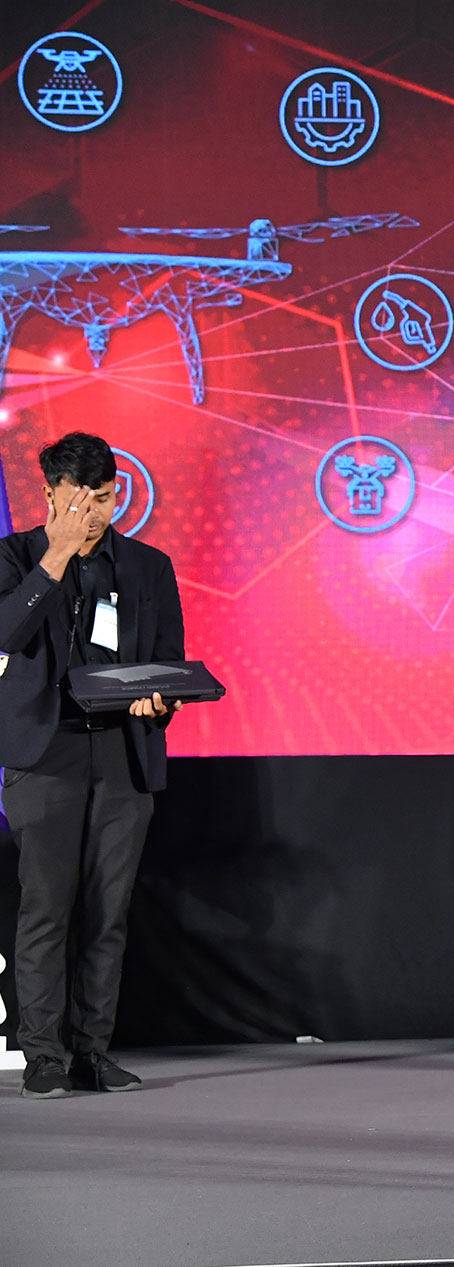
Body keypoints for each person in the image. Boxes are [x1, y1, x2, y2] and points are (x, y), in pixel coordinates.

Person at [1, 432, 184, 1100]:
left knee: (108, 911)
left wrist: (160, 701)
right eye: (78, 500)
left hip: (121, 752)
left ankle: (93, 1051)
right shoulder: (14, 556)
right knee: (46, 908)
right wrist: (54, 556)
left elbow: (168, 660)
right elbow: (4, 634)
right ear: (49, 495)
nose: (92, 514)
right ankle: (43, 1056)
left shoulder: (147, 566)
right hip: (43, 753)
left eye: (103, 499)